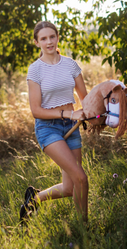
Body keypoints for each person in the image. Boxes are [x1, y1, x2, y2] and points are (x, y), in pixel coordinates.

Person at [20, 21, 89, 226]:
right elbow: (36, 110)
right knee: (81, 178)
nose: (49, 42)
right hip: (48, 129)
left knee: (70, 188)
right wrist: (68, 113)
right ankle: (83, 228)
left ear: (57, 37)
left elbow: (84, 98)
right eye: (43, 38)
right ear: (37, 42)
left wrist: (93, 115)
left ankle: (34, 200)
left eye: (52, 37)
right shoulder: (35, 70)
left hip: (72, 127)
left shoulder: (71, 64)